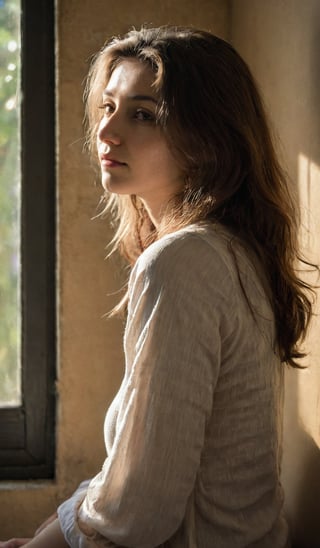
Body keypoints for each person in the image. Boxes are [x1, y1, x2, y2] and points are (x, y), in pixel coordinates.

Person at [1, 25, 316, 548]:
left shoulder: (182, 263)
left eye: (142, 114)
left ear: (207, 140)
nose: (107, 132)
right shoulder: (226, 252)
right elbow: (130, 479)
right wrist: (51, 532)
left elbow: (139, 514)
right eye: (108, 107)